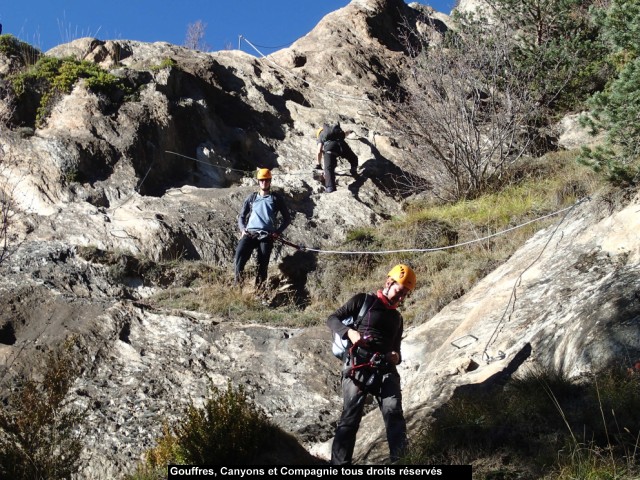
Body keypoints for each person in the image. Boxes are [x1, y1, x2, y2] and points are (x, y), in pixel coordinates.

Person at [326, 264, 416, 465]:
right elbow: (332, 319)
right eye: (399, 292)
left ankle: (402, 463)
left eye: (404, 295)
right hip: (359, 365)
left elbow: (397, 349)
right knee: (350, 419)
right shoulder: (363, 301)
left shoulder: (397, 318)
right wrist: (349, 332)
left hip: (385, 370)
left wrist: (396, 357)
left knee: (394, 415)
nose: (400, 298)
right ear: (388, 282)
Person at [234, 168, 291, 288]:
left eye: (266, 180)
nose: (264, 183)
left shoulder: (275, 198)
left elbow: (287, 219)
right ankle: (237, 285)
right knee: (239, 255)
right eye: (262, 180)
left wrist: (277, 232)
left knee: (262, 264)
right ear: (258, 182)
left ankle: (259, 291)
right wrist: (243, 229)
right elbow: (242, 216)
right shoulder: (252, 198)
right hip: (250, 233)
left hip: (267, 235)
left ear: (270, 181)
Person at [316, 123, 359, 193]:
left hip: (330, 148)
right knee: (353, 158)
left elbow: (319, 151)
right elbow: (345, 133)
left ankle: (330, 188)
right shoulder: (336, 133)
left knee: (329, 169)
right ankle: (353, 170)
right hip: (342, 145)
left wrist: (318, 164)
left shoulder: (321, 135)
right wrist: (350, 131)